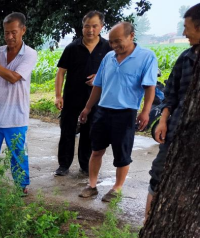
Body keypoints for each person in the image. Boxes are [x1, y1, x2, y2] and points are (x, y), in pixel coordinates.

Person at [78, 22, 157, 202]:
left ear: (131, 36)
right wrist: (88, 107)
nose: (114, 46)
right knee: (96, 150)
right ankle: (92, 185)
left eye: (117, 41)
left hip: (126, 112)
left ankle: (117, 188)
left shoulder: (146, 57)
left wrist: (145, 112)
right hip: (102, 111)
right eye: (111, 42)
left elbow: (149, 87)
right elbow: (98, 86)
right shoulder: (108, 57)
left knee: (122, 154)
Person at [145, 3, 200, 220]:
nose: (184, 33)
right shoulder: (185, 58)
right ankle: (147, 221)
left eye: (187, 27)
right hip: (175, 131)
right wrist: (163, 120)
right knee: (158, 174)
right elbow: (171, 93)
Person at [0, 12, 38, 195]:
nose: (10, 37)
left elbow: (13, 77)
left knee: (18, 153)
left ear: (23, 30)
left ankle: (21, 186)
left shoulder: (29, 54)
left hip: (16, 115)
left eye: (14, 32)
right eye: (6, 33)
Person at [54, 11, 112, 177]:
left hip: (96, 100)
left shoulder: (108, 48)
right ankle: (63, 165)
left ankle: (85, 165)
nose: (91, 30)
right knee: (67, 131)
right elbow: (61, 73)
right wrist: (58, 95)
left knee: (90, 132)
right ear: (82, 27)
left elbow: (115, 71)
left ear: (101, 27)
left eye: (94, 26)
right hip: (72, 98)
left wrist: (100, 77)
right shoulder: (73, 47)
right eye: (87, 26)